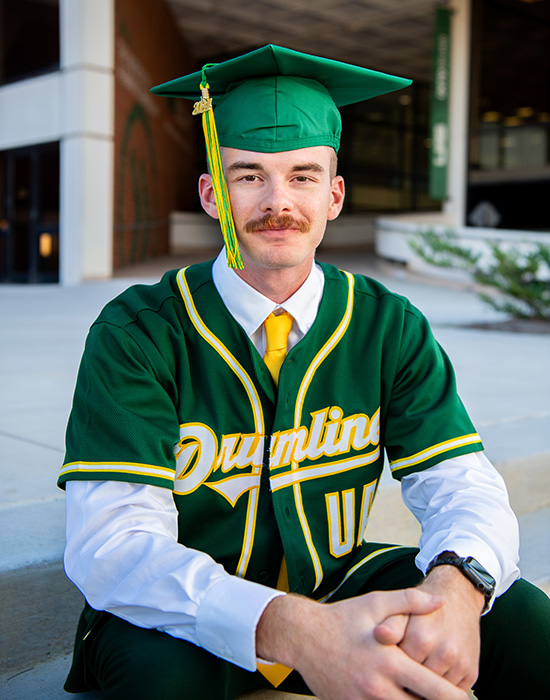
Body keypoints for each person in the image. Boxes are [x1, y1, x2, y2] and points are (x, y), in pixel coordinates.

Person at [58, 45, 549, 700]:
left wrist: (459, 587)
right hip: (187, 610)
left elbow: (462, 484)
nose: (277, 201)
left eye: (303, 176)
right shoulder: (141, 332)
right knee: (159, 682)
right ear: (211, 194)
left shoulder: (386, 326)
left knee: (521, 621)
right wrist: (293, 629)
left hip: (337, 578)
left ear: (335, 194)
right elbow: (111, 545)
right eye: (249, 176)